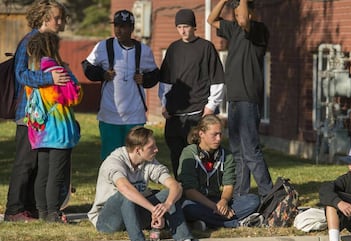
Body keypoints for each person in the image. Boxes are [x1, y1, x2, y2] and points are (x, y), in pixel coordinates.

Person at [88, 126, 216, 241]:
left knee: (170, 193)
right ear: (138, 150)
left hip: (134, 214)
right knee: (127, 194)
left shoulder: (148, 162)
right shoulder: (114, 161)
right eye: (152, 147)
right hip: (108, 221)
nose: (156, 149)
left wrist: (167, 205)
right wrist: (153, 209)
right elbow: (124, 187)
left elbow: (175, 186)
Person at [4, 0, 71, 222]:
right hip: (28, 113)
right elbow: (21, 74)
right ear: (44, 18)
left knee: (37, 163)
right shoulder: (30, 41)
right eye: (57, 18)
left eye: (62, 18)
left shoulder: (47, 42)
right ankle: (14, 210)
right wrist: (48, 77)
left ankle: (31, 207)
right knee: (25, 162)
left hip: (43, 115)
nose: (61, 23)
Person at [207, 0, 273, 199]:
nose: (237, 17)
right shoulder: (233, 29)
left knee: (251, 150)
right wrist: (224, 2)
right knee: (237, 151)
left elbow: (244, 19)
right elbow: (211, 20)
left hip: (248, 98)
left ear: (252, 12)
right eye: (234, 14)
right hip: (234, 99)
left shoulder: (259, 31)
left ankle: (268, 194)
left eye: (239, 13)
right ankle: (241, 194)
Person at [84, 9, 160, 160]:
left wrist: (145, 79)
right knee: (110, 157)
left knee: (136, 156)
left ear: (132, 28)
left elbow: (155, 74)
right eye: (116, 25)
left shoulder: (143, 50)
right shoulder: (103, 47)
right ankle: (110, 183)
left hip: (135, 114)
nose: (119, 29)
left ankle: (134, 183)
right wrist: (102, 75)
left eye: (123, 26)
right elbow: (87, 67)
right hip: (110, 114)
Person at [158, 8, 224, 177]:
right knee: (176, 157)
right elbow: (165, 80)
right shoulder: (173, 49)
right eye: (179, 27)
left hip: (198, 113)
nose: (183, 31)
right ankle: (181, 191)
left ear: (194, 27)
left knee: (200, 157)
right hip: (174, 116)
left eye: (186, 26)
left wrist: (210, 107)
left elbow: (217, 80)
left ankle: (202, 191)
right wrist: (164, 104)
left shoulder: (206, 48)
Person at [25, 31, 82, 222]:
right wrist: (71, 75)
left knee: (43, 172)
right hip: (58, 131)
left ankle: (42, 212)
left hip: (39, 131)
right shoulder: (57, 71)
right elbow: (74, 97)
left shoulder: (33, 73)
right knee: (56, 174)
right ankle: (53, 213)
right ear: (52, 48)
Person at [177, 115, 260, 230]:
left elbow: (228, 185)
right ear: (201, 134)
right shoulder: (189, 153)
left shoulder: (227, 155)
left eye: (220, 134)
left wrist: (224, 201)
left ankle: (205, 222)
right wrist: (216, 207)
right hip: (196, 201)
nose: (219, 139)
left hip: (216, 200)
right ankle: (235, 223)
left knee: (253, 200)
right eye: (214, 135)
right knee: (187, 208)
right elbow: (190, 191)